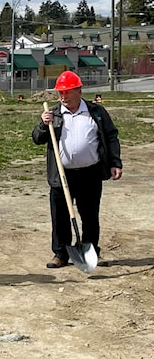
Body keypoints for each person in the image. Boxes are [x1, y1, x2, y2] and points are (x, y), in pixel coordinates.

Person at [32, 71, 122, 269]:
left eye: (67, 92)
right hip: (62, 175)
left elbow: (111, 136)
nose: (63, 96)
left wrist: (115, 162)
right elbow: (37, 138)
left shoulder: (96, 112)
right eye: (60, 93)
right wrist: (42, 125)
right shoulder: (53, 114)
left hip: (90, 173)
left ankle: (90, 252)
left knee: (90, 215)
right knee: (61, 215)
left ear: (79, 91)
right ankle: (61, 253)